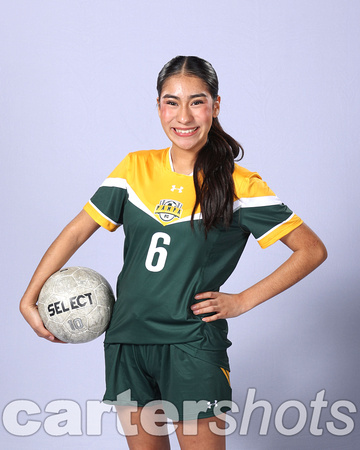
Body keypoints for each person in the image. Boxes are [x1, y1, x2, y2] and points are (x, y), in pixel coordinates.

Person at [20, 55, 327, 449]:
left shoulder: (240, 184)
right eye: (171, 101)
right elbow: (77, 232)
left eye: (197, 101)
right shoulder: (134, 168)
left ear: (216, 106)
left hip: (191, 343)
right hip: (127, 339)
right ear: (159, 107)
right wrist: (30, 298)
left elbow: (311, 250)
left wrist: (242, 301)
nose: (184, 116)